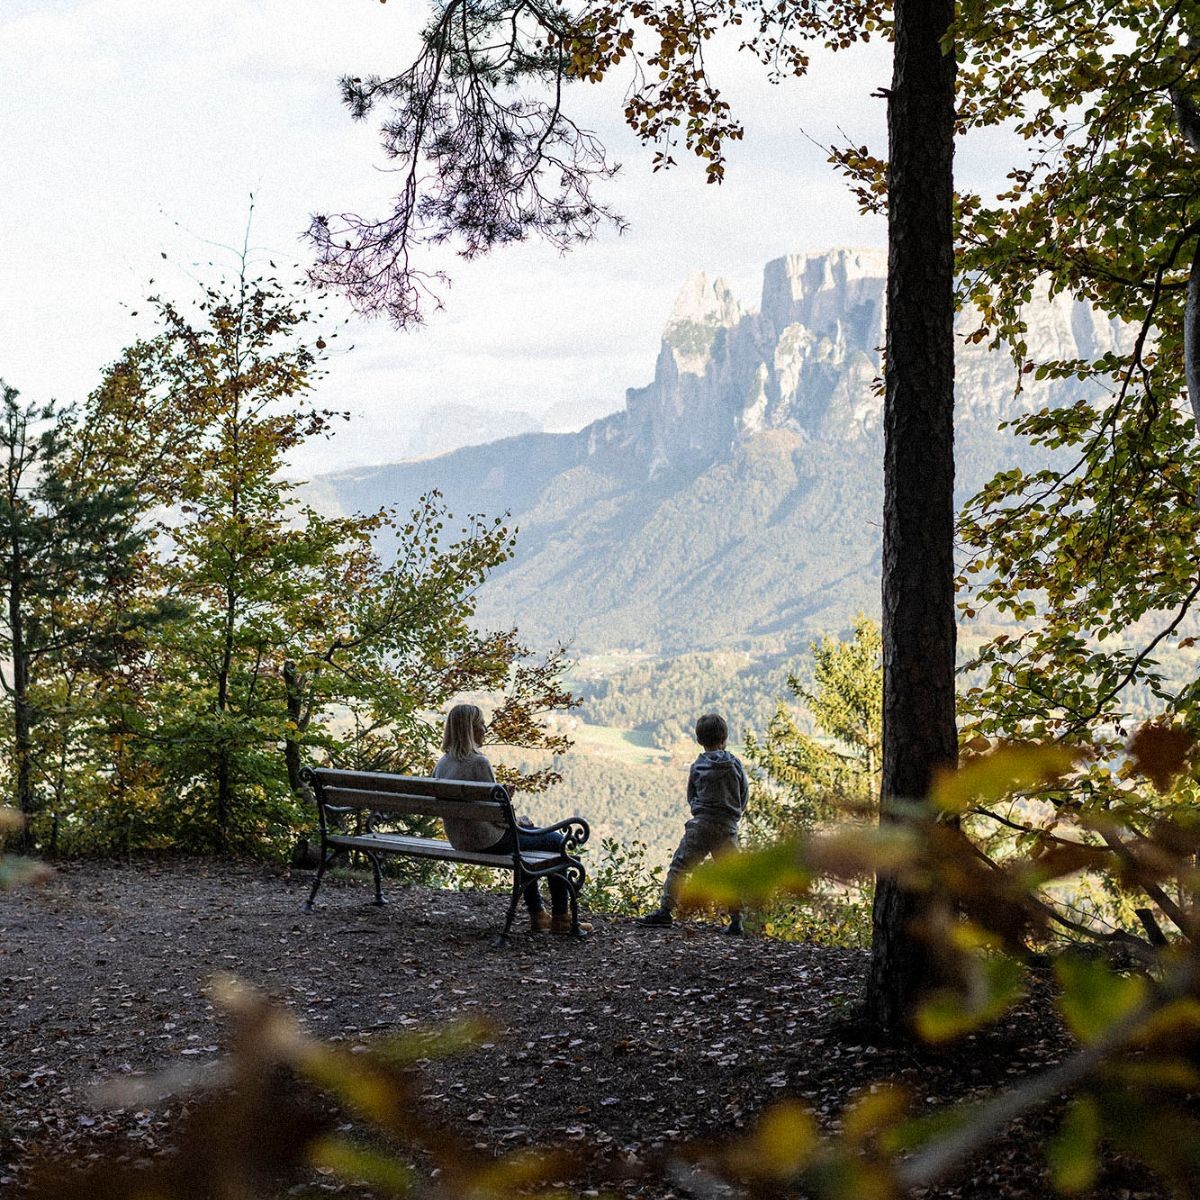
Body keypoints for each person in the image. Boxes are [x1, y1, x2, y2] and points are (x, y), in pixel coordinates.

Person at [433, 703, 590, 934]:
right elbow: (498, 817)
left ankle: (539, 916)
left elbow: (477, 806)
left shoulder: (443, 763)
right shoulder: (479, 762)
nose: (485, 729)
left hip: (460, 840)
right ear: (470, 730)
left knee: (526, 849)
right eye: (481, 725)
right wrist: (517, 821)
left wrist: (501, 799)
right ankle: (561, 919)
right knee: (557, 843)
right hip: (488, 841)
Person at [638, 712, 748, 934]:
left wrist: (700, 810)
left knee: (679, 868)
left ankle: (665, 912)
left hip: (701, 825)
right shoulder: (735, 764)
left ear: (699, 740)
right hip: (726, 827)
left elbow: (692, 795)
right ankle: (736, 921)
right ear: (725, 737)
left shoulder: (698, 765)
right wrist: (732, 815)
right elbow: (743, 794)